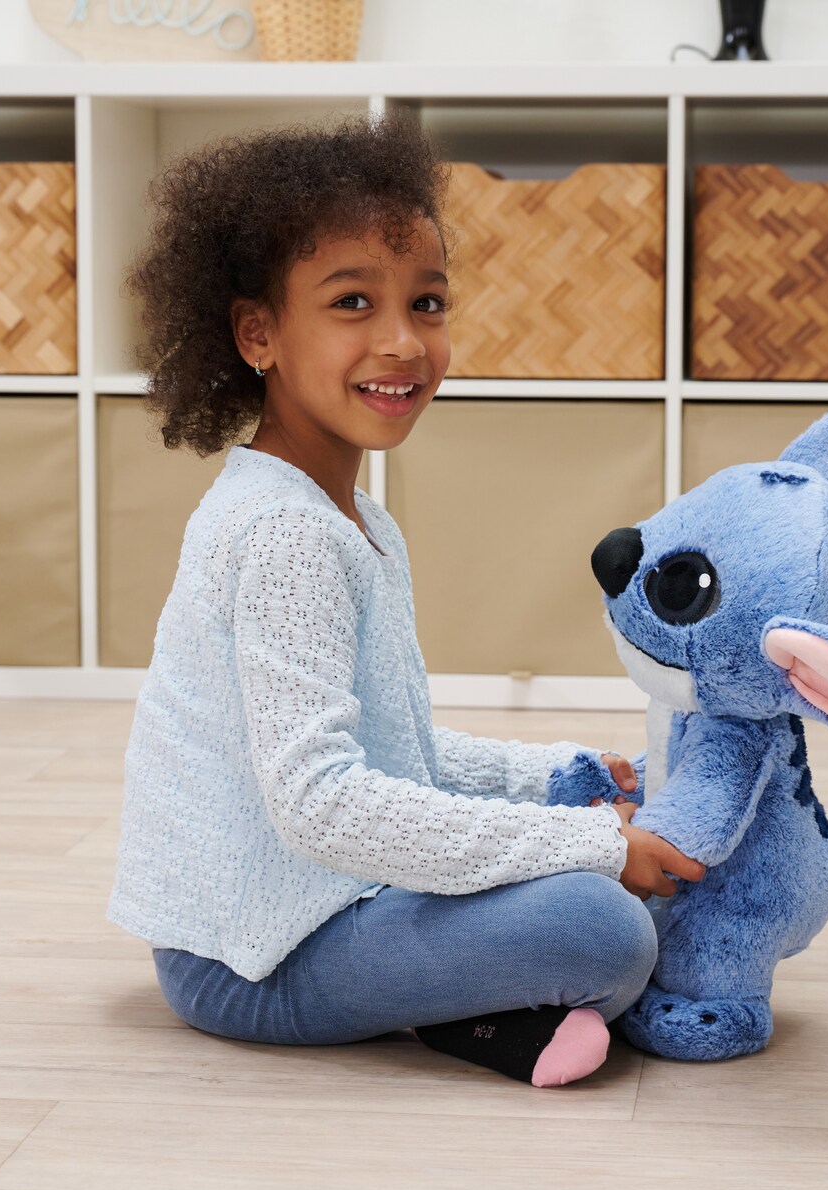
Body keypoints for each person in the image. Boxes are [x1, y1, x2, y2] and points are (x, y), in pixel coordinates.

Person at [107, 112, 704, 1088]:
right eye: (352, 302)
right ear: (259, 333)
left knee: (608, 882)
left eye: (427, 303)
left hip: (323, 905)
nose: (401, 341)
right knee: (602, 927)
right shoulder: (287, 533)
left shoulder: (353, 520)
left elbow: (400, 753)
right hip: (254, 958)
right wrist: (595, 844)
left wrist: (563, 780)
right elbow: (323, 804)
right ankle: (472, 1009)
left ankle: (487, 1015)